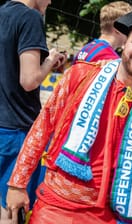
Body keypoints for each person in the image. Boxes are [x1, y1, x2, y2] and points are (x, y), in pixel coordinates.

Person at [5, 7, 132, 224]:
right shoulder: (81, 75)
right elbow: (42, 128)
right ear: (124, 43)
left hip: (111, 212)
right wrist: (17, 184)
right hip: (58, 205)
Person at [0, 0, 66, 221]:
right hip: (17, 130)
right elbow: (29, 80)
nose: (50, 1)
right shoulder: (30, 17)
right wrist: (49, 61)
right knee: (10, 211)